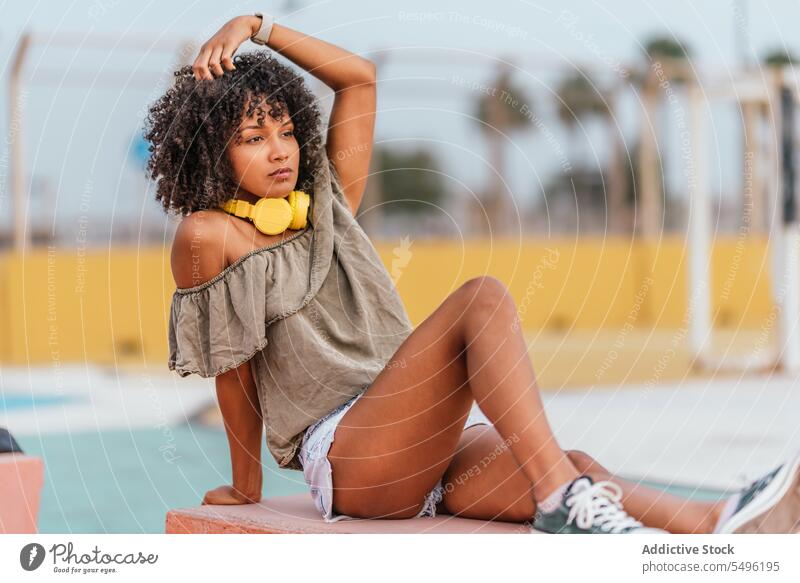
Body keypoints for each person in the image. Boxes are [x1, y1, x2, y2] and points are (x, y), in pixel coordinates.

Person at [148, 12, 800, 534]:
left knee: (576, 465)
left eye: (286, 129)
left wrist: (255, 24)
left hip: (427, 445)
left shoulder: (328, 205)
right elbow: (231, 368)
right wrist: (246, 483)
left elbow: (360, 78)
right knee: (480, 301)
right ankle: (559, 498)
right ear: (212, 149)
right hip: (351, 454)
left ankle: (719, 521)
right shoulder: (211, 234)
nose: (280, 149)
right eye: (253, 136)